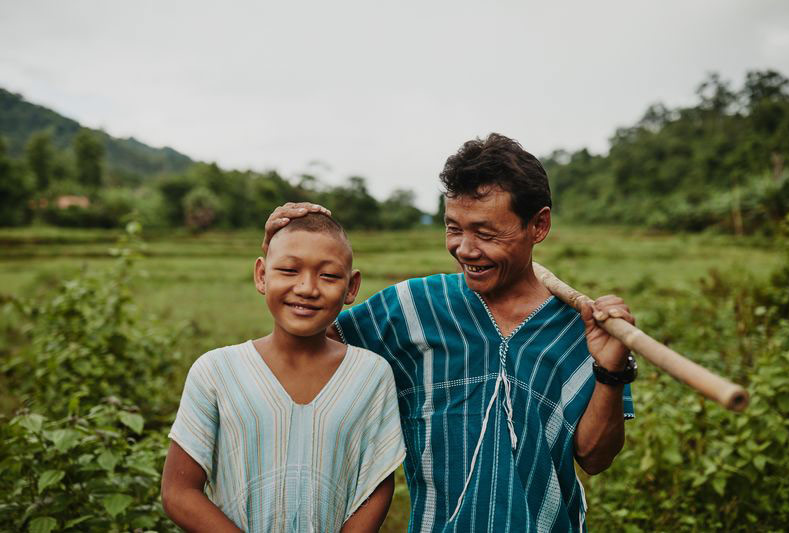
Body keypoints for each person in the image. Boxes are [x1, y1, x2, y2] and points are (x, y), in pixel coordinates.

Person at [264, 133, 637, 532]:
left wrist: (611, 372)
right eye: (453, 228)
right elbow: (306, 348)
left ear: (539, 225)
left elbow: (595, 458)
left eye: (486, 233)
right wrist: (283, 254)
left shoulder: (578, 330)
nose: (465, 249)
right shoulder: (411, 307)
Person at [162, 213, 406, 532]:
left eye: (329, 276)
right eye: (289, 270)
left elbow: (375, 487)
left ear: (352, 286)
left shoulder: (371, 375)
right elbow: (178, 492)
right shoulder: (216, 372)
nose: (306, 288)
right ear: (262, 275)